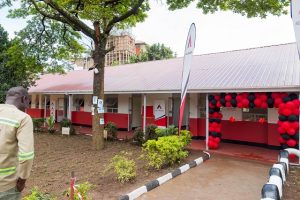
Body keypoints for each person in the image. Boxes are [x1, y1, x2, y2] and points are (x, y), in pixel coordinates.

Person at [0, 87, 34, 200]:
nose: (27, 106)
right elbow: (26, 156)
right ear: (24, 99)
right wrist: (22, 180)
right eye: (28, 102)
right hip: (6, 185)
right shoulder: (23, 118)